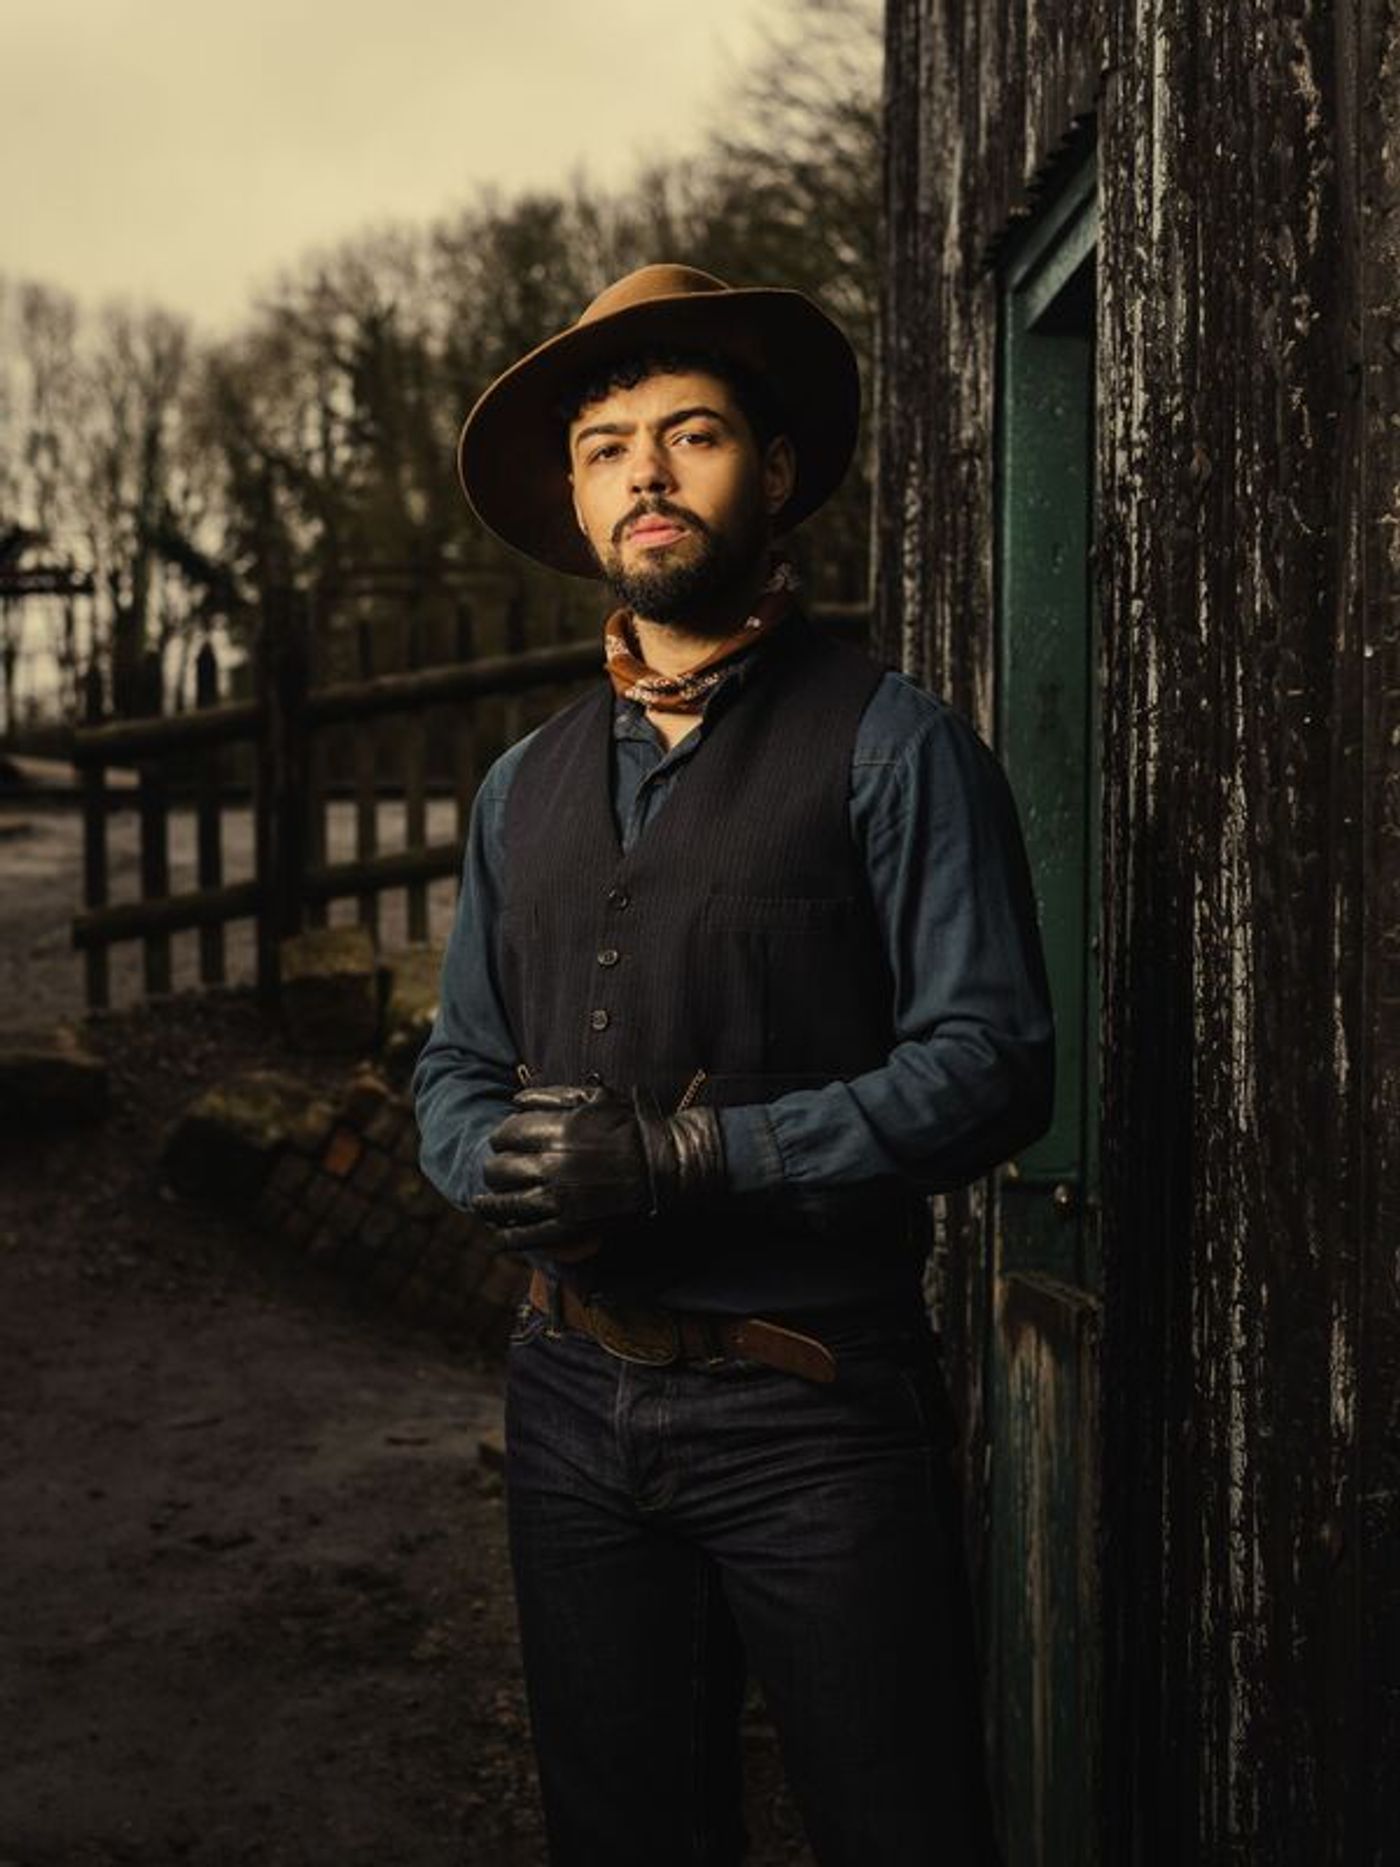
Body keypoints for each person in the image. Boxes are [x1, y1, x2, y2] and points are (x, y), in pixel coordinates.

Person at [413, 263, 1053, 1866]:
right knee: (622, 1836)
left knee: (898, 1828)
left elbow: (994, 1060)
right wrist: (494, 1165)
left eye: (691, 433)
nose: (646, 468)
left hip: (814, 1409)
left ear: (770, 473)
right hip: (565, 1397)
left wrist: (705, 1158)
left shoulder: (898, 745)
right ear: (575, 500)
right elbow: (454, 1069)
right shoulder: (518, 789)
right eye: (607, 442)